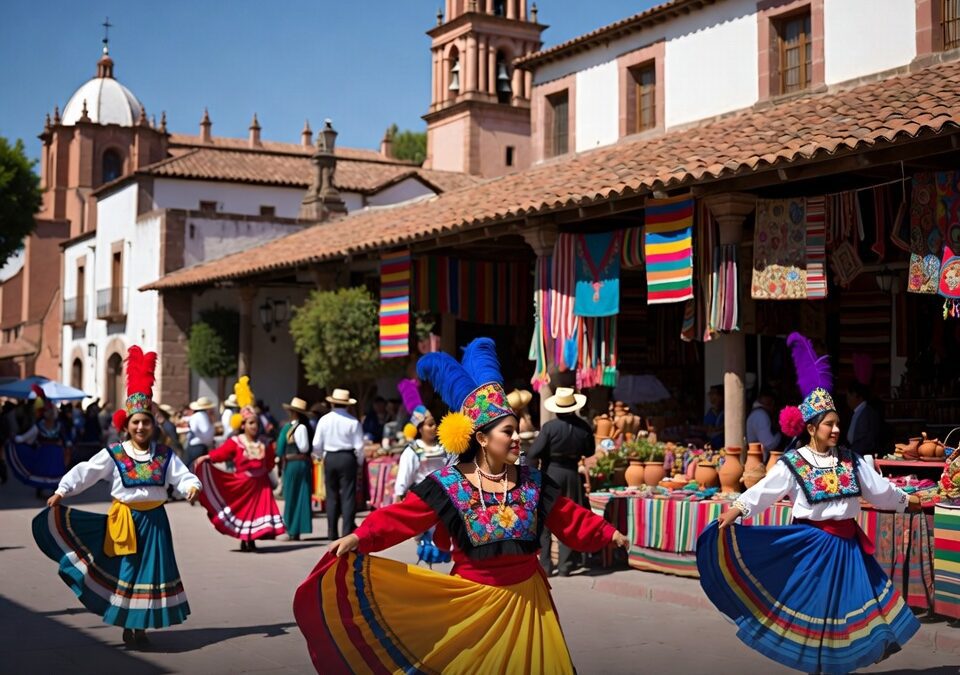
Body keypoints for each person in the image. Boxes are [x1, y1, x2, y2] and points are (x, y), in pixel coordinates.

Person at [293, 338, 628, 673]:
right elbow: (403, 517)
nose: (517, 438)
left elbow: (567, 516)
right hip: (472, 603)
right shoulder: (449, 485)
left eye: (516, 431)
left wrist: (607, 532)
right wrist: (359, 537)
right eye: (508, 431)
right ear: (482, 438)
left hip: (530, 603)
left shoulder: (532, 481)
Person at [697, 333, 920, 674]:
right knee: (818, 618)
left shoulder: (851, 460)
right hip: (810, 548)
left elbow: (879, 492)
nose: (836, 430)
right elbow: (765, 491)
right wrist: (737, 509)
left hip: (848, 551)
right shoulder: (793, 463)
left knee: (851, 620)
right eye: (829, 424)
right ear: (812, 428)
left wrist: (908, 501)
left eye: (837, 424)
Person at [33, 346, 200, 650]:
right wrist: (62, 490)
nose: (140, 427)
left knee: (152, 572)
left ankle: (142, 626)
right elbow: (87, 471)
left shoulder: (164, 454)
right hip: (124, 519)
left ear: (153, 425)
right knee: (129, 570)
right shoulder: (116, 453)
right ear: (126, 425)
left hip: (156, 522)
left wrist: (192, 487)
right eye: (135, 422)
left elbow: (182, 474)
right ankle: (128, 622)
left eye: (145, 422)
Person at [195, 377, 285, 552]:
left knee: (257, 512)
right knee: (244, 512)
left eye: (256, 423)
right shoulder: (236, 441)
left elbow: (268, 462)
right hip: (242, 483)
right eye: (251, 423)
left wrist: (264, 471)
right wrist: (207, 458)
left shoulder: (263, 443)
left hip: (260, 485)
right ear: (243, 425)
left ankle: (251, 540)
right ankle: (245, 540)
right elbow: (221, 454)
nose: (254, 427)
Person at [528, 387, 595, 577]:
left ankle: (547, 566)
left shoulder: (549, 428)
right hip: (572, 475)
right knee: (568, 519)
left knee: (547, 519)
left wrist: (532, 475)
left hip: (551, 473)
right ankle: (566, 566)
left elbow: (533, 453)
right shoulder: (584, 427)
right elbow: (589, 451)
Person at [395, 377, 451, 565]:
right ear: (419, 428)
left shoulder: (443, 447)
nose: (434, 428)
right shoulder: (413, 450)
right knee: (425, 533)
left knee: (441, 532)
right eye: (429, 425)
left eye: (435, 424)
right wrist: (399, 494)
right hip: (422, 494)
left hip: (442, 494)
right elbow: (405, 474)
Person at [311, 388, 364, 539]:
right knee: (348, 495)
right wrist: (359, 463)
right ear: (347, 405)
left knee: (332, 495)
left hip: (331, 457)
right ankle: (347, 531)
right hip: (347, 457)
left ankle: (331, 532)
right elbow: (359, 446)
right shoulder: (353, 421)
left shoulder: (324, 420)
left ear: (333, 403)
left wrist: (320, 457)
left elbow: (316, 444)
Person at [9, 386, 72, 498]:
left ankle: (56, 492)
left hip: (56, 454)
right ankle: (40, 490)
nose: (51, 413)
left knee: (56, 473)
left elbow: (65, 438)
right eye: (48, 411)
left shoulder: (59, 425)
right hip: (44, 453)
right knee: (42, 471)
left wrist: (68, 445)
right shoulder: (39, 426)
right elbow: (26, 437)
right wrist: (15, 439)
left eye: (52, 411)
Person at [277, 397, 314, 541]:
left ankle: (292, 529)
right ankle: (294, 529)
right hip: (299, 463)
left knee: (292, 495)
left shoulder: (293, 428)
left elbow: (303, 447)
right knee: (299, 495)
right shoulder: (301, 427)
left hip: (294, 464)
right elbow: (305, 448)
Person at [846, 380, 882, 457]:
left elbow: (867, 441)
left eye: (849, 396)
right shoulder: (859, 411)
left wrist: (853, 453)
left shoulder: (867, 412)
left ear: (855, 395)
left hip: (862, 455)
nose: (847, 400)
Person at [745, 387, 782, 462]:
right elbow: (769, 444)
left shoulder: (759, 413)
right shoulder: (761, 415)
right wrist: (781, 433)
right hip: (759, 460)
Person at [185, 396, 215, 466]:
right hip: (198, 446)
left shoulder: (198, 415)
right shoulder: (202, 416)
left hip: (196, 446)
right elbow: (206, 432)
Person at [703, 384, 724, 449]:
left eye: (713, 393)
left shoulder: (726, 412)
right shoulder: (711, 412)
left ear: (721, 396)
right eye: (710, 393)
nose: (710, 396)